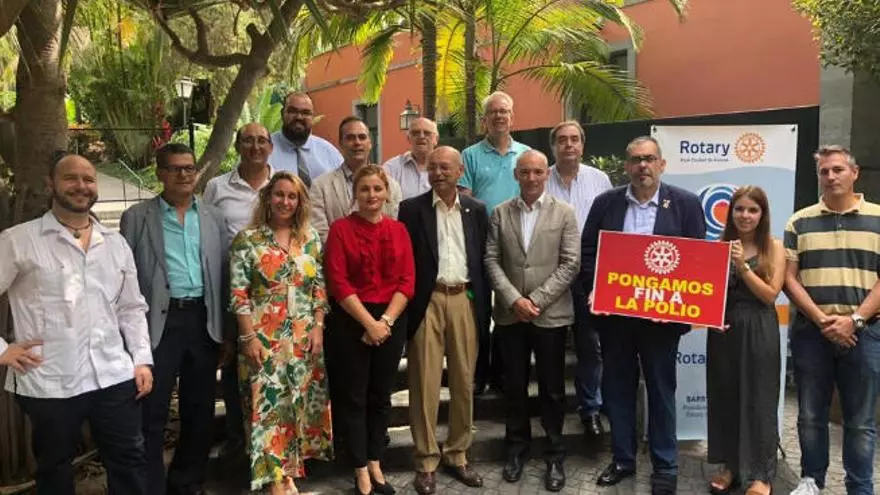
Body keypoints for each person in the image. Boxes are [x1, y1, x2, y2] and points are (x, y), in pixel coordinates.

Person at [0, 152, 153, 495]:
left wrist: (141, 359)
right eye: (70, 178)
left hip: (113, 375)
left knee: (130, 461)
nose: (81, 186)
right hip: (50, 380)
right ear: (50, 184)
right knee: (54, 470)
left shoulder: (114, 243)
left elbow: (131, 308)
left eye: (88, 179)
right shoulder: (19, 241)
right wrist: (2, 350)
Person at [580, 136, 706, 495]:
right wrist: (595, 288)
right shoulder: (606, 203)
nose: (642, 166)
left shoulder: (685, 204)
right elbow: (588, 252)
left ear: (661, 164)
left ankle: (665, 467)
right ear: (626, 166)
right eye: (636, 160)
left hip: (660, 323)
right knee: (617, 391)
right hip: (615, 321)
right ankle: (623, 459)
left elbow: (698, 260)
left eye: (649, 159)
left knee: (661, 392)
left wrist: (678, 305)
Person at [120, 143, 228, 495]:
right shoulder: (137, 217)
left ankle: (186, 482)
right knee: (151, 410)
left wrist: (225, 330)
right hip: (158, 324)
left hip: (202, 321)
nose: (184, 174)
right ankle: (150, 486)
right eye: (175, 168)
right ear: (160, 174)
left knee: (199, 410)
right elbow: (124, 276)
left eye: (189, 168)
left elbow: (224, 273)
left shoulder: (213, 217)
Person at [228, 171, 333, 494]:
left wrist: (318, 327)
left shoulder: (309, 239)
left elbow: (319, 287)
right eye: (279, 194)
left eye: (292, 196)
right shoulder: (248, 240)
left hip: (303, 338)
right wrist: (248, 338)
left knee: (297, 404)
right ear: (267, 198)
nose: (285, 201)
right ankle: (274, 479)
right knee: (268, 408)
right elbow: (238, 294)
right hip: (263, 338)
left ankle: (289, 473)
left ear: (300, 202)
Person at [784, 145, 880, 495]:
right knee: (810, 416)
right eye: (824, 171)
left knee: (861, 421)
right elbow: (789, 278)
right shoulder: (799, 221)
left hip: (865, 333)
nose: (830, 176)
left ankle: (860, 487)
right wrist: (823, 320)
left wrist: (854, 320)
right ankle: (811, 481)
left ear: (854, 173)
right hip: (813, 333)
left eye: (838, 169)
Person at [485, 150, 580, 492]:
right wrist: (514, 300)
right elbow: (491, 260)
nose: (531, 178)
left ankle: (555, 453)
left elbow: (570, 263)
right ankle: (516, 449)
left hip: (549, 315)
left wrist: (536, 300)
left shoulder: (564, 212)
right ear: (516, 175)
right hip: (511, 316)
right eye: (525, 172)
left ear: (546, 174)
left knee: (553, 389)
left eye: (538, 172)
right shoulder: (500, 213)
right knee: (514, 387)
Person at [398, 146, 490, 494]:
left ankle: (458, 454)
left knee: (464, 381)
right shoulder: (411, 209)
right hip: (427, 301)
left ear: (459, 171)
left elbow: (482, 258)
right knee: (424, 384)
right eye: (433, 167)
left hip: (464, 299)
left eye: (445, 167)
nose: (438, 173)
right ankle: (425, 460)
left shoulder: (476, 209)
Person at [323, 165, 415, 495]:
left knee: (381, 395)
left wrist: (384, 323)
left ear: (387, 193)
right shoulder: (340, 230)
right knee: (353, 396)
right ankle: (359, 467)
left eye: (377, 188)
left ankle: (376, 459)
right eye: (364, 189)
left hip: (390, 320)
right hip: (351, 320)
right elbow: (338, 282)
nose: (371, 195)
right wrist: (369, 324)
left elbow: (407, 281)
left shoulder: (399, 230)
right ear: (355, 194)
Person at [706, 186, 785, 495]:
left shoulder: (773, 246)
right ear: (730, 213)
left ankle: (761, 475)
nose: (745, 215)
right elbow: (707, 294)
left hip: (759, 329)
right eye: (739, 209)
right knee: (726, 397)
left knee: (759, 399)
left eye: (753, 210)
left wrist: (742, 266)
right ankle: (731, 467)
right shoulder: (719, 245)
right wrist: (710, 318)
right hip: (724, 332)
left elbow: (770, 295)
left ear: (762, 214)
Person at [204, 122, 276, 459]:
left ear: (271, 147)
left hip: (276, 294)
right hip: (235, 290)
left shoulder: (283, 183)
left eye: (262, 141)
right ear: (237, 146)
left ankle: (274, 441)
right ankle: (237, 436)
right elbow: (208, 236)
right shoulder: (217, 188)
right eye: (248, 140)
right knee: (235, 365)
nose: (255, 147)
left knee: (275, 366)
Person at [458, 90, 531, 396]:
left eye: (505, 111)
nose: (499, 116)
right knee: (479, 312)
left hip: (516, 243)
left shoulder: (525, 154)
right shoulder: (469, 155)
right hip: (479, 243)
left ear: (512, 117)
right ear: (484, 119)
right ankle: (479, 374)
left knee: (509, 308)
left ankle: (503, 372)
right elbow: (465, 200)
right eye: (494, 112)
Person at [545, 120, 612, 438]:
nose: (569, 144)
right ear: (554, 146)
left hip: (589, 274)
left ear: (583, 145)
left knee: (590, 345)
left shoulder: (600, 180)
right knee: (552, 347)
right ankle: (552, 410)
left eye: (574, 139)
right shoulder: (541, 178)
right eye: (562, 140)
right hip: (551, 274)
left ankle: (590, 408)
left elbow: (611, 227)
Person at [310, 115, 403, 243]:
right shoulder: (320, 186)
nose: (357, 142)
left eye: (362, 137)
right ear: (340, 144)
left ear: (370, 143)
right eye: (350, 138)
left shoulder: (391, 186)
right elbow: (320, 233)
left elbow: (393, 229)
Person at [269, 92, 344, 186]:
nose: (299, 117)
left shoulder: (329, 152)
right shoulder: (265, 151)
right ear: (282, 114)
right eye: (293, 111)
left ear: (312, 117)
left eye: (306, 113)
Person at [382, 117, 438, 200]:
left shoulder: (445, 168)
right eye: (415, 133)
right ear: (409, 138)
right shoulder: (392, 168)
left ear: (436, 139)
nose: (421, 136)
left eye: (427, 133)